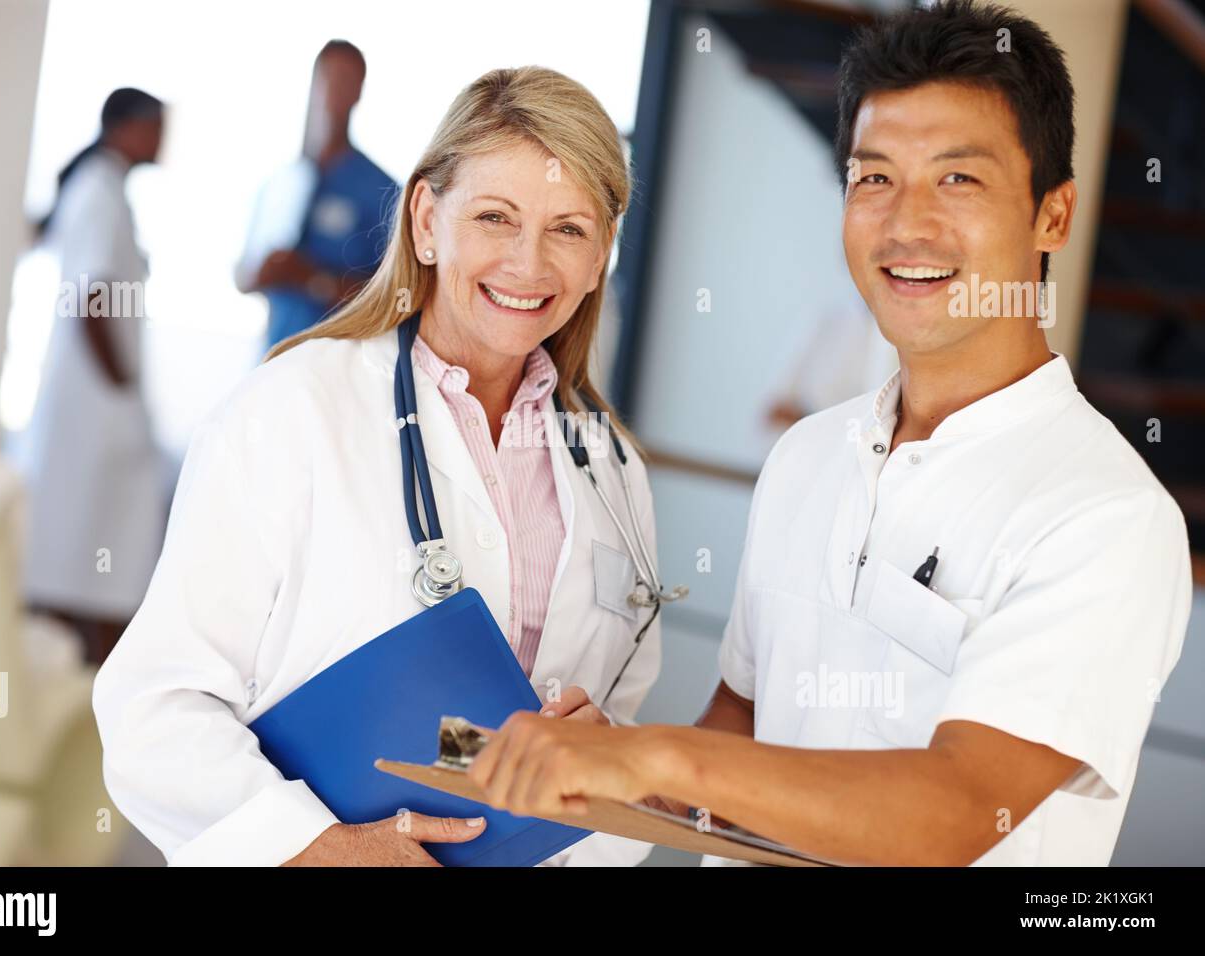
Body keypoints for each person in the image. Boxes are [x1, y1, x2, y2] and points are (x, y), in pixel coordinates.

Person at [465, 0, 1192, 867]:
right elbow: (740, 726)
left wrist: (654, 755)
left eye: (958, 179)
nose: (906, 222)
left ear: (1054, 216)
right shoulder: (809, 457)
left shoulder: (1106, 516)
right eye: (874, 177)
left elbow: (957, 811)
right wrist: (604, 766)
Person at [93, 67, 668, 866]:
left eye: (569, 229)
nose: (529, 264)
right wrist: (320, 847)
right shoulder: (291, 412)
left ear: (603, 249)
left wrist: (607, 771)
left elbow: (621, 726)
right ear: (428, 220)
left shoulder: (611, 471)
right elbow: (152, 708)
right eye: (496, 217)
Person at [22, 88, 167, 665]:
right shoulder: (101, 193)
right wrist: (120, 385)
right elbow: (94, 297)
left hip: (90, 403)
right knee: (94, 543)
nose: (162, 140)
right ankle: (93, 674)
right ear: (127, 129)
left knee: (89, 541)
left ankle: (85, 672)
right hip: (97, 402)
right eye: (156, 127)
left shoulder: (104, 190)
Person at [235, 40, 397, 350]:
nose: (335, 91)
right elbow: (243, 276)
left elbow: (394, 300)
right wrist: (266, 271)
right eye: (329, 78)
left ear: (360, 90)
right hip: (272, 359)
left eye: (347, 80)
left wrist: (312, 279)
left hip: (336, 368)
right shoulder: (281, 180)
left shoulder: (382, 191)